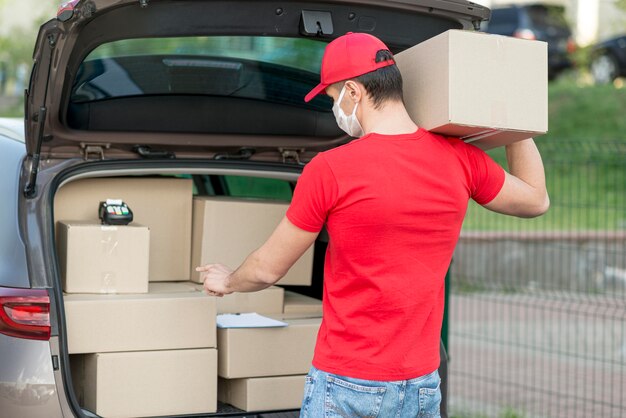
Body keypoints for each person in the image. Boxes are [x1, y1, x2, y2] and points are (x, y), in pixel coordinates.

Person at [197, 32, 549, 417]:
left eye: (333, 99)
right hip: (421, 383)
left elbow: (268, 268)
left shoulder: (331, 169)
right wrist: (516, 120)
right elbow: (536, 200)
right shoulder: (458, 160)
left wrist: (227, 281)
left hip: (347, 381)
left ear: (353, 92)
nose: (336, 109)